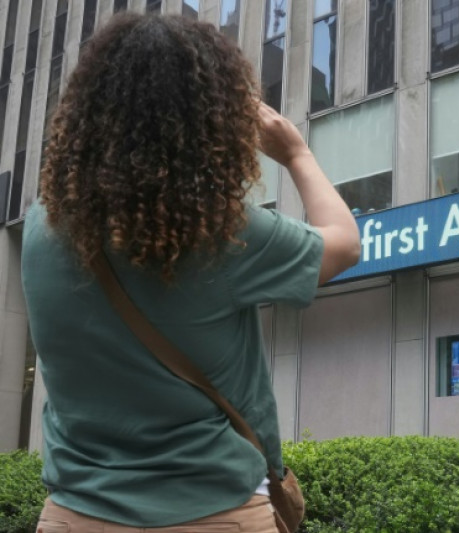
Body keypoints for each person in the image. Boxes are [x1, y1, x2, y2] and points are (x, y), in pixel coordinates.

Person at [22, 13, 359, 533]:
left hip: (73, 514)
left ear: (88, 110)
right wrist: (296, 154)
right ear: (211, 121)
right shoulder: (221, 234)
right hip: (216, 511)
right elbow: (345, 244)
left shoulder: (44, 226)